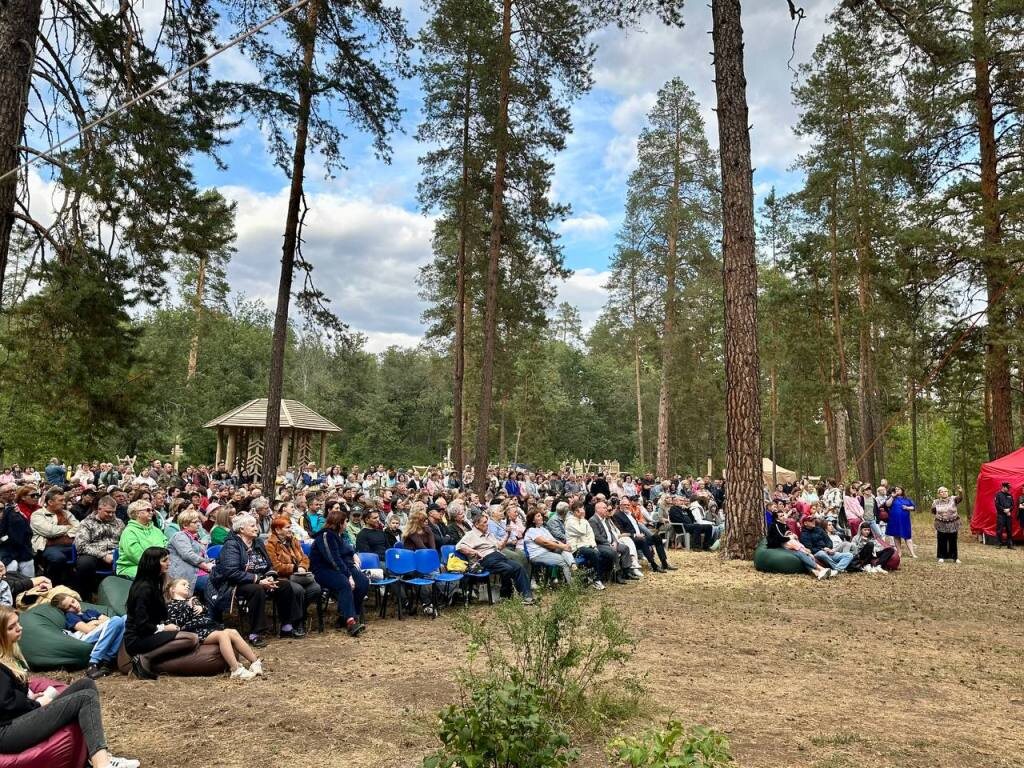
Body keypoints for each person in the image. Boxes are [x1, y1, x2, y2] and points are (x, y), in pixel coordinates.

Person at [0, 606, 139, 767]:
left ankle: (98, 756)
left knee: (86, 684)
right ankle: (102, 764)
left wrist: (30, 697)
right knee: (85, 697)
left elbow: (11, 693)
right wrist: (36, 704)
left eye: (18, 623)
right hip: (7, 732)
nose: (19, 628)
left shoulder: (11, 655)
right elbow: (6, 704)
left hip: (16, 720)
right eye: (11, 627)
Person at [208, 513, 309, 645]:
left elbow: (269, 565)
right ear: (241, 529)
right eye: (252, 526)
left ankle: (287, 626)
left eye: (256, 525)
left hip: (261, 579)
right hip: (236, 583)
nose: (256, 528)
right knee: (257, 590)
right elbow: (231, 572)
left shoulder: (258, 542)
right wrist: (258, 579)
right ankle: (255, 633)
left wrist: (270, 577)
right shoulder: (232, 545)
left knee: (284, 585)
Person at [124, 547, 200, 679]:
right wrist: (164, 628)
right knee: (191, 639)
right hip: (138, 638)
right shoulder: (143, 589)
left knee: (192, 636)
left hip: (149, 634)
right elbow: (142, 625)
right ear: (153, 563)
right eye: (165, 561)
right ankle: (144, 657)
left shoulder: (154, 583)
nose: (168, 563)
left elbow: (162, 615)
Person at [165, 578, 261, 680]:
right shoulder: (171, 606)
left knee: (233, 631)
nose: (187, 586)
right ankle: (235, 669)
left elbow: (207, 613)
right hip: (194, 631)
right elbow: (176, 625)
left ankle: (254, 662)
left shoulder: (193, 600)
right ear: (172, 589)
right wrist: (188, 608)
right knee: (222, 635)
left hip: (208, 627)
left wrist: (201, 608)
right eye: (183, 584)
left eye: (188, 585)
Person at [308, 508, 368, 636]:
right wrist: (348, 576)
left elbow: (347, 548)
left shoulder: (339, 535)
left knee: (363, 582)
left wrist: (353, 554)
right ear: (340, 523)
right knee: (344, 583)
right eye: (345, 522)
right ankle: (351, 622)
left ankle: (347, 615)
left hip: (342, 567)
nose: (346, 524)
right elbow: (333, 559)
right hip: (323, 570)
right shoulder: (325, 535)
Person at [456, 513, 534, 604]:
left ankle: (527, 597)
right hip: (485, 559)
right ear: (477, 524)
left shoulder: (489, 534)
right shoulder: (471, 534)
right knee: (508, 569)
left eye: (487, 522)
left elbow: (500, 546)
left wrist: (508, 535)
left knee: (518, 567)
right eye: (484, 522)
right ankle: (505, 596)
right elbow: (459, 546)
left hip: (498, 556)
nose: (487, 524)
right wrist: (475, 552)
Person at [49, 593, 126, 679]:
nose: (74, 606)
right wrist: (100, 623)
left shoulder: (90, 612)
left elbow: (108, 620)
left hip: (101, 632)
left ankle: (106, 663)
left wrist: (94, 623)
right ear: (65, 610)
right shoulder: (71, 616)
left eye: (73, 601)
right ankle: (93, 662)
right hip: (87, 637)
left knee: (125, 618)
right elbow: (87, 629)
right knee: (117, 620)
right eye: (69, 607)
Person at [263, 516, 322, 620]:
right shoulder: (270, 544)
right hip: (282, 578)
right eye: (287, 527)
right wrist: (294, 568)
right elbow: (275, 566)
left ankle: (299, 613)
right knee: (298, 590)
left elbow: (305, 558)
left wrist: (302, 567)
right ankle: (297, 620)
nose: (291, 529)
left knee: (315, 589)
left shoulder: (294, 540)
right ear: (277, 530)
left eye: (290, 527)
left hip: (299, 576)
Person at [72, 495, 124, 601]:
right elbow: (81, 545)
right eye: (108, 512)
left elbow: (124, 541)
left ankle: (121, 596)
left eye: (113, 512)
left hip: (115, 552)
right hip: (94, 553)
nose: (111, 515)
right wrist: (103, 555)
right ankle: (85, 596)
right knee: (84, 563)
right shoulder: (87, 523)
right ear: (99, 509)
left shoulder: (119, 523)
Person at [30, 488, 79, 586]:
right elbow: (50, 531)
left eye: (64, 500)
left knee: (86, 557)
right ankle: (51, 583)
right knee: (58, 558)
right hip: (48, 547)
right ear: (50, 502)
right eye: (61, 500)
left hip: (71, 544)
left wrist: (62, 533)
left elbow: (78, 527)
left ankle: (77, 586)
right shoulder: (38, 515)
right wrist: (68, 527)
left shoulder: (67, 513)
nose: (64, 503)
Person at [766, 510, 833, 579]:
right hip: (777, 545)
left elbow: (788, 534)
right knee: (800, 553)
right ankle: (820, 568)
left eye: (783, 515)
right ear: (777, 519)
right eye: (781, 516)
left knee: (803, 554)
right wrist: (790, 537)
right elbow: (780, 538)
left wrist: (792, 535)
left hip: (787, 543)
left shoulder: (784, 524)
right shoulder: (776, 525)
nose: (783, 517)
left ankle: (816, 572)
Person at [612, 500, 675, 572]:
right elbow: (621, 530)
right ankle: (653, 565)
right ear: (620, 505)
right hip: (629, 538)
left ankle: (664, 563)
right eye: (624, 505)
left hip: (640, 536)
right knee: (642, 540)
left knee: (657, 537)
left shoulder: (631, 514)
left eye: (628, 505)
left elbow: (636, 526)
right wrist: (635, 535)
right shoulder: (617, 515)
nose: (627, 506)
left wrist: (642, 534)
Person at [564, 500, 613, 587]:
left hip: (588, 546)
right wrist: (582, 518)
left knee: (605, 553)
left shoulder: (584, 521)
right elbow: (582, 531)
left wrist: (594, 546)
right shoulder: (570, 522)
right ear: (576, 511)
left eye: (583, 508)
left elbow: (591, 535)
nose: (583, 511)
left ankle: (597, 576)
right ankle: (597, 580)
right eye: (581, 509)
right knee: (595, 553)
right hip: (576, 548)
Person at [116, 499, 168, 579]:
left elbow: (166, 547)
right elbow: (136, 556)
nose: (151, 512)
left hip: (158, 566)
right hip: (132, 567)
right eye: (148, 510)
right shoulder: (129, 532)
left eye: (152, 510)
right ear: (137, 513)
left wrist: (163, 562)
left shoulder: (156, 530)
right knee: (155, 575)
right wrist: (158, 565)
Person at [167, 510, 215, 595]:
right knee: (215, 584)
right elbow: (188, 555)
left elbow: (202, 557)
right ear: (185, 525)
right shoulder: (179, 536)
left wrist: (211, 562)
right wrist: (206, 566)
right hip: (187, 575)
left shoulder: (193, 538)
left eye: (199, 521)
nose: (199, 524)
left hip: (198, 571)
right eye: (195, 522)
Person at [589, 501, 639, 580]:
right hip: (600, 545)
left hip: (611, 543)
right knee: (613, 551)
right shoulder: (593, 520)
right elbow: (597, 536)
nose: (606, 510)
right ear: (598, 509)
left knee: (625, 548)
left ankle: (627, 572)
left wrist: (615, 542)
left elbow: (611, 533)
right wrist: (609, 543)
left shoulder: (604, 519)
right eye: (604, 508)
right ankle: (617, 574)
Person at [523, 510, 577, 583]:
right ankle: (572, 585)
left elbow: (554, 540)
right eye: (538, 516)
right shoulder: (531, 530)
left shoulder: (543, 529)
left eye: (541, 515)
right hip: (538, 555)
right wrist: (562, 547)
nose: (541, 517)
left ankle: (573, 564)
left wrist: (564, 545)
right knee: (564, 561)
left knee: (565, 551)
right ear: (533, 520)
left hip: (548, 552)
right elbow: (545, 543)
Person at [0, 482, 34, 578]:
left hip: (21, 550)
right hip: (5, 553)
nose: (11, 493)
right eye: (8, 491)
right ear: (1, 495)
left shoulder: (15, 509)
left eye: (13, 491)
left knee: (28, 565)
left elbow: (26, 530)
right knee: (12, 566)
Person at [931, 486, 964, 563]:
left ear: (948, 492)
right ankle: (941, 556)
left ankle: (955, 558)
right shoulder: (935, 502)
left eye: (945, 491)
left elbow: (960, 498)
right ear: (939, 494)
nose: (944, 493)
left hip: (953, 523)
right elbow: (933, 511)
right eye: (941, 492)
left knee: (953, 540)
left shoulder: (953, 499)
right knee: (941, 540)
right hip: (941, 524)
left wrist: (960, 492)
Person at [883, 487, 917, 558]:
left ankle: (912, 553)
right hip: (894, 520)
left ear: (902, 490)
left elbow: (913, 507)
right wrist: (892, 496)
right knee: (896, 536)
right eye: (895, 489)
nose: (897, 490)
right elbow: (887, 505)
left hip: (905, 521)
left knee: (907, 536)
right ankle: (899, 553)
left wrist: (907, 508)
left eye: (898, 489)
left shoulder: (907, 499)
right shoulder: (892, 497)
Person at [995, 481, 1015, 548]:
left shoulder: (1009, 495)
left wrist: (1009, 510)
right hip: (1001, 515)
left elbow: (1013, 505)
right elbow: (997, 505)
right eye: (1007, 488)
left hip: (1008, 515)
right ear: (1003, 487)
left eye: (1009, 488)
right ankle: (999, 544)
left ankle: (1009, 545)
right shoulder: (998, 495)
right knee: (999, 530)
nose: (1008, 489)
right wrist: (1004, 510)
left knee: (1009, 530)